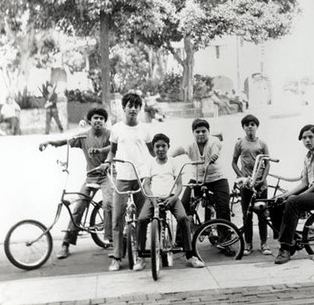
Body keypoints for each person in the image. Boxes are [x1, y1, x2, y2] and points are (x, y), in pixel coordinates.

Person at [39, 108, 113, 259]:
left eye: (101, 118)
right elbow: (65, 141)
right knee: (78, 208)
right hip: (91, 176)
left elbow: (115, 147)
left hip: (107, 175)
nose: (98, 120)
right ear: (90, 121)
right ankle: (66, 244)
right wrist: (48, 142)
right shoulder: (83, 136)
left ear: (104, 121)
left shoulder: (110, 134)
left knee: (109, 204)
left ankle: (110, 238)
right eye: (95, 118)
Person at [269, 124, 314, 264]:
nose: (307, 140)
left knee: (293, 202)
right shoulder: (308, 156)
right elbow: (304, 183)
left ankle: (285, 248)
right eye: (304, 138)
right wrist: (283, 196)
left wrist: (297, 198)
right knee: (276, 204)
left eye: (310, 137)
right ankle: (293, 240)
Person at [99, 92, 154, 271]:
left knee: (142, 218)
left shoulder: (145, 129)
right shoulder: (116, 129)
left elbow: (154, 153)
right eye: (129, 106)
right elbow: (112, 151)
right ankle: (116, 257)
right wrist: (107, 162)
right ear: (124, 108)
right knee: (117, 218)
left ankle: (140, 255)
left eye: (136, 106)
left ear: (139, 109)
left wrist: (160, 168)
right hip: (122, 176)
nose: (133, 109)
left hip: (141, 176)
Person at [134, 133, 204, 271]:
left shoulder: (173, 162)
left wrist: (173, 198)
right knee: (141, 220)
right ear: (153, 148)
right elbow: (146, 184)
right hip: (153, 198)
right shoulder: (150, 163)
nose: (160, 149)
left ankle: (190, 255)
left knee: (183, 218)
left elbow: (179, 185)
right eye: (157, 146)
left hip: (171, 197)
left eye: (163, 146)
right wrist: (153, 199)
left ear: (168, 147)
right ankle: (141, 256)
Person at [171, 118, 233, 254]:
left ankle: (225, 242)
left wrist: (215, 155)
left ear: (208, 132)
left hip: (217, 178)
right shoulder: (191, 144)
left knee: (223, 208)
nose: (200, 134)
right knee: (183, 205)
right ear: (193, 133)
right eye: (197, 131)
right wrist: (168, 157)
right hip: (198, 179)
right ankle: (180, 241)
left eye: (203, 131)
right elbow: (180, 150)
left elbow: (217, 148)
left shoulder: (214, 141)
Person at [232, 114, 271, 256]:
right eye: (247, 124)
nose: (250, 127)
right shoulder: (239, 143)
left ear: (256, 127)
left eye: (252, 124)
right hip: (246, 185)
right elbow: (234, 162)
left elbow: (267, 163)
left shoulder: (262, 144)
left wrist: (263, 178)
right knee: (246, 215)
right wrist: (242, 177)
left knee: (262, 215)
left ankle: (264, 243)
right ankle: (247, 243)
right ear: (243, 127)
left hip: (260, 184)